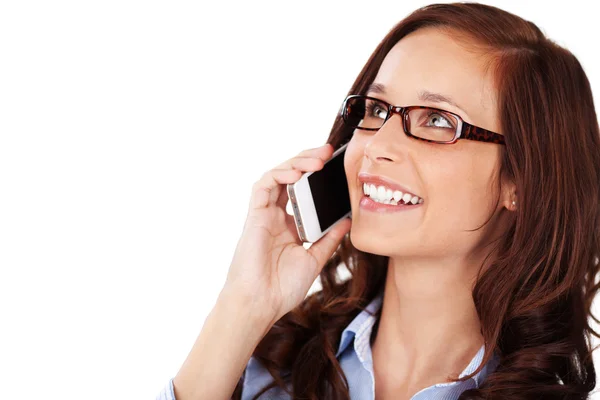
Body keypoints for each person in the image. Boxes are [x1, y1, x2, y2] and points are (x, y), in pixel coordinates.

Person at [157, 2, 600, 399]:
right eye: (375, 110)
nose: (375, 145)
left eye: (437, 121)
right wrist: (244, 305)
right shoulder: (272, 367)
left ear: (520, 181)